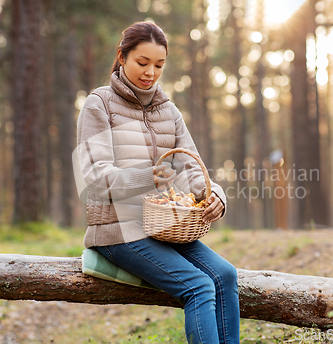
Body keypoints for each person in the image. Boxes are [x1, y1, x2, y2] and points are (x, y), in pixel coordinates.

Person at [76, 21, 240, 344]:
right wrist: (146, 177)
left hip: (163, 227)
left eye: (159, 65)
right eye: (142, 62)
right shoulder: (100, 105)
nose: (150, 72)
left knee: (225, 275)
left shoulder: (169, 111)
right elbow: (94, 179)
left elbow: (194, 168)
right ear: (122, 58)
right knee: (199, 285)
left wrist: (215, 196)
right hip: (117, 231)